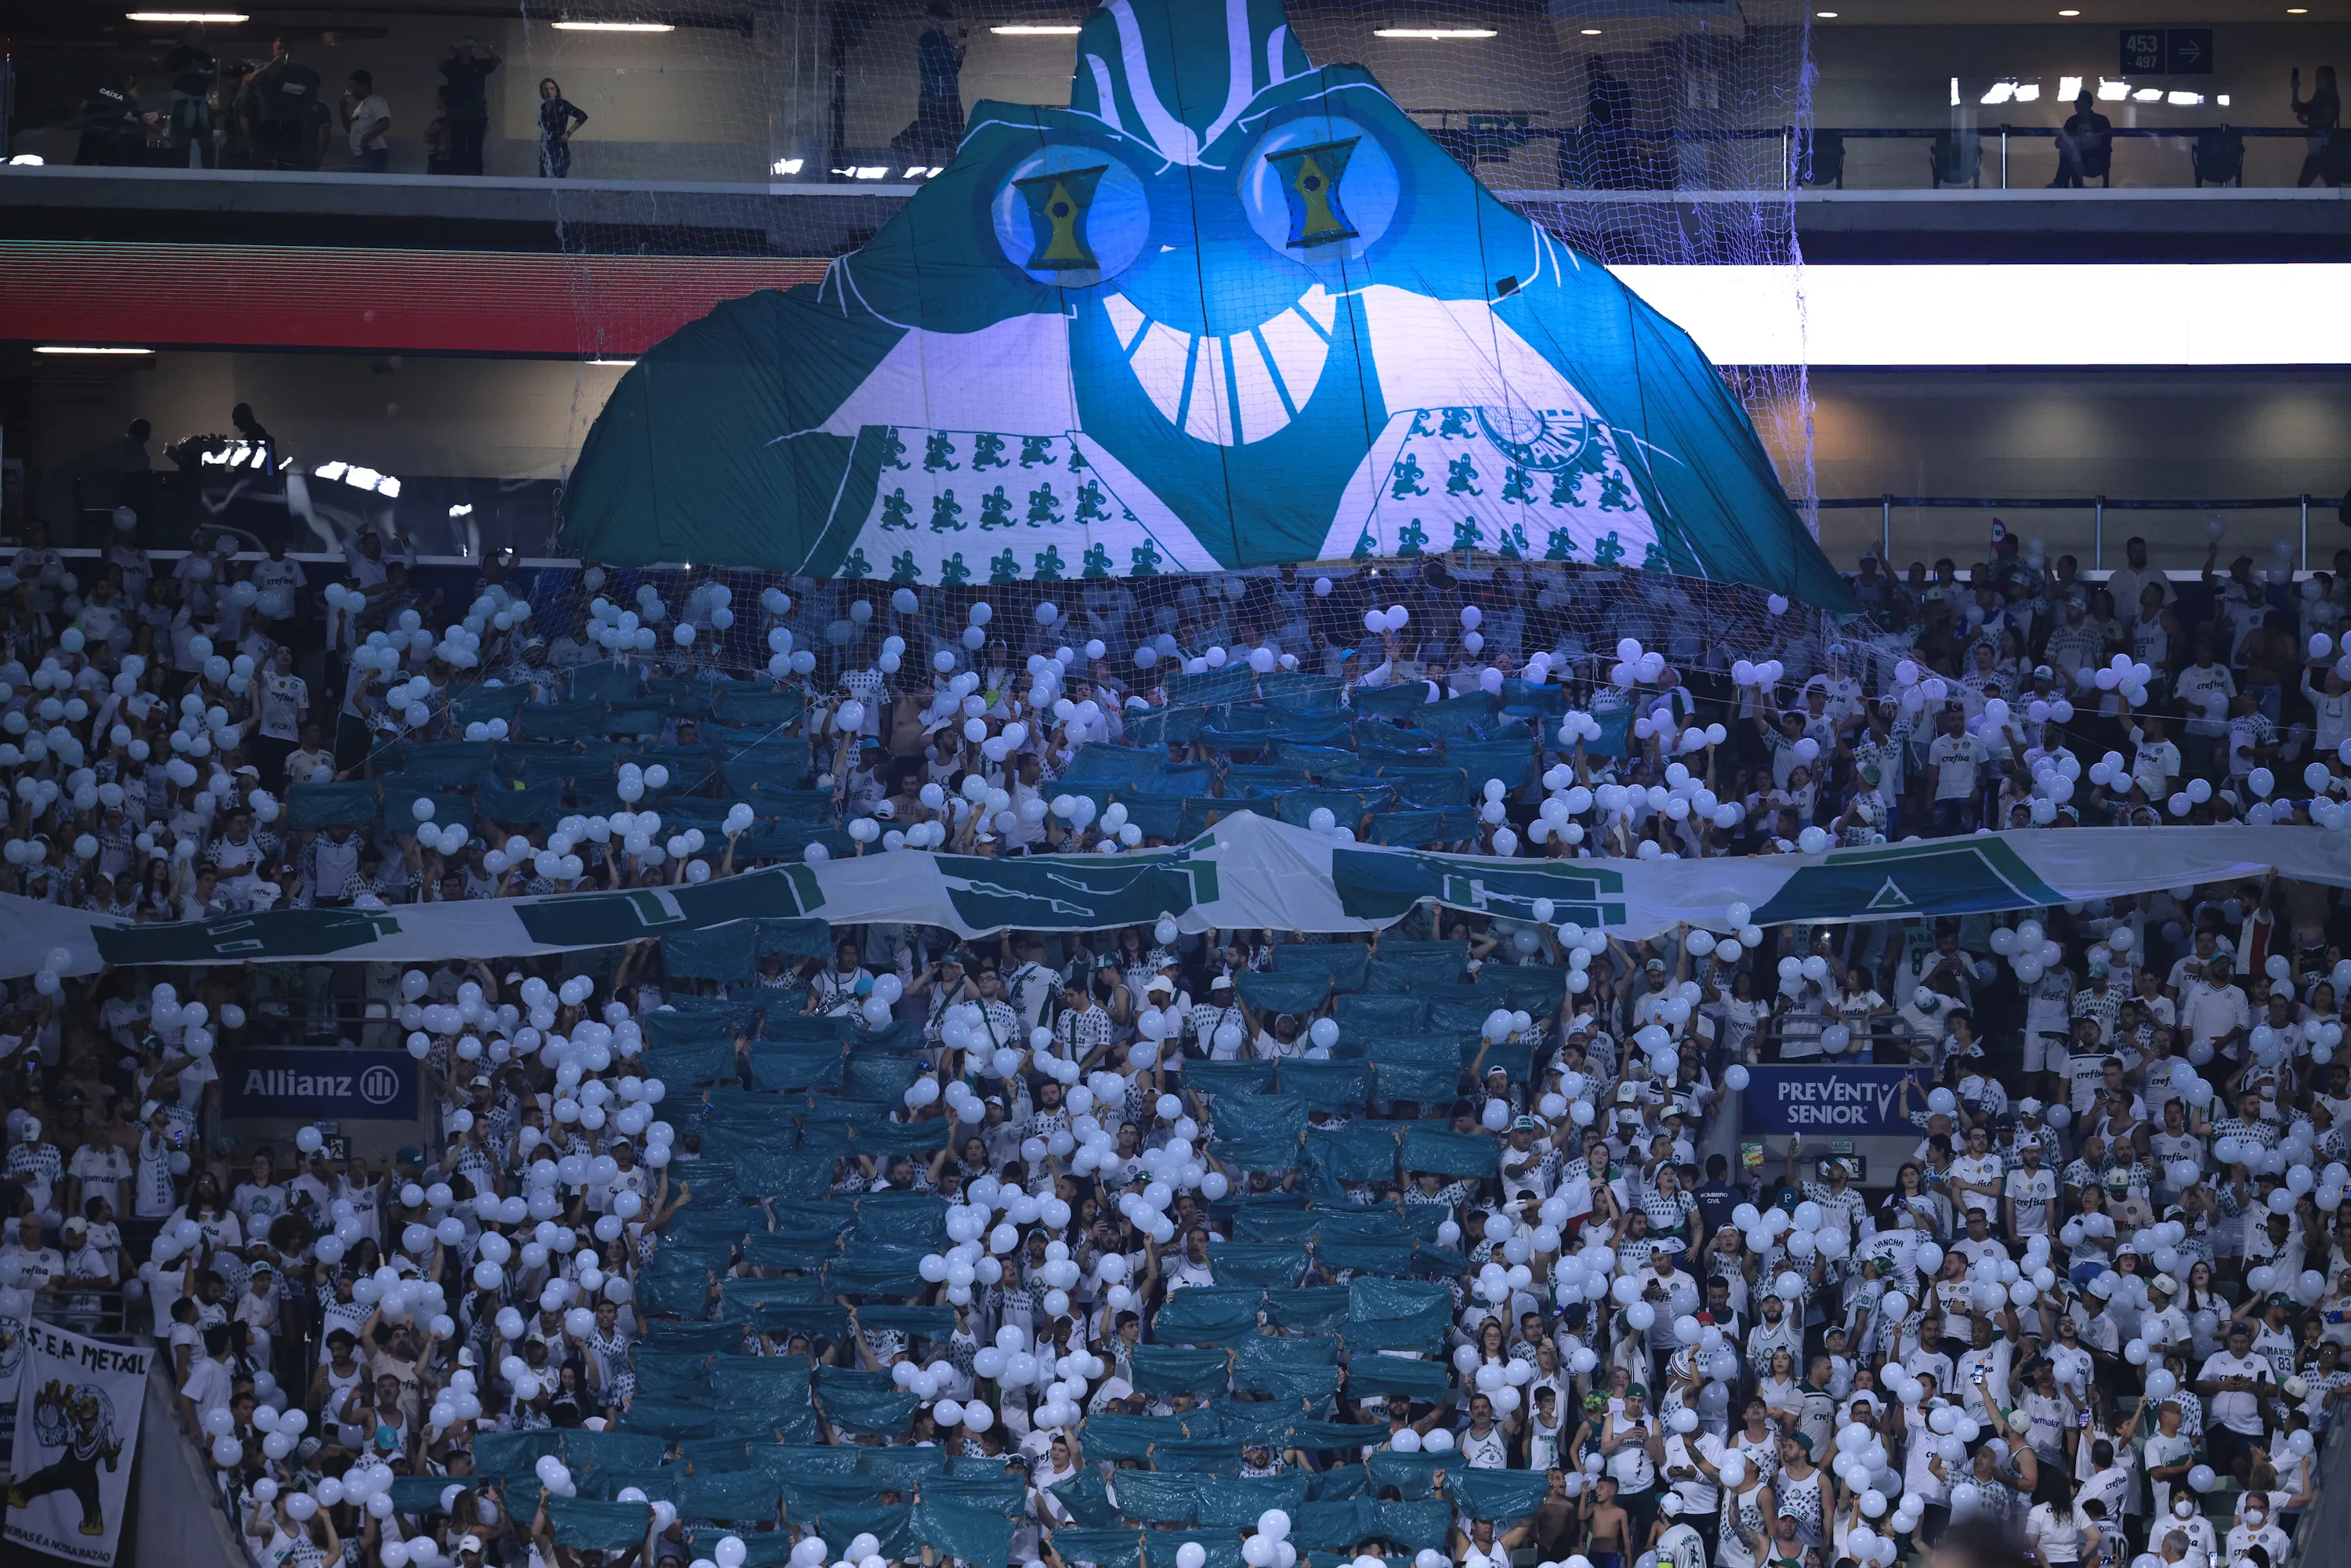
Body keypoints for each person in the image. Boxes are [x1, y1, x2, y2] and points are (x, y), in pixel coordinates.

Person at [893, 1, 969, 161]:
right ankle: (922, 168)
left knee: (953, 137)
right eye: (938, 18)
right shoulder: (927, 40)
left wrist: (960, 51)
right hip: (933, 96)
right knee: (928, 135)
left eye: (944, 19)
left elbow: (953, 69)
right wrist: (954, 44)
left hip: (950, 95)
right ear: (930, 18)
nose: (942, 22)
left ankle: (951, 168)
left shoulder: (943, 40)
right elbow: (937, 67)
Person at [249, 38, 327, 171]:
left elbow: (313, 91)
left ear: (292, 52)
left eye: (286, 49)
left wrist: (300, 92)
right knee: (265, 160)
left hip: (292, 121)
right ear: (274, 51)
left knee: (289, 161)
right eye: (279, 48)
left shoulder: (301, 70)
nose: (283, 51)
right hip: (269, 119)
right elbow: (251, 83)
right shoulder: (264, 67)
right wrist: (273, 65)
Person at [440, 37, 501, 175]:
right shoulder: (452, 66)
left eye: (470, 48)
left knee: (475, 149)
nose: (467, 50)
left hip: (476, 114)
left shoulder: (480, 65)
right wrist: (451, 47)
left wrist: (487, 49)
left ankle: (476, 179)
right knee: (457, 149)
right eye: (464, 48)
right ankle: (457, 178)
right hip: (457, 114)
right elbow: (439, 62)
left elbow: (497, 61)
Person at [76, 72, 151, 167]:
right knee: (110, 167)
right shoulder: (126, 99)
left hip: (90, 131)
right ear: (128, 85)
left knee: (82, 164)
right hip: (109, 135)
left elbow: (82, 106)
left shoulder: (99, 90)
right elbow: (134, 119)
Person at [2049, 89, 2113, 188]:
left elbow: (2103, 143)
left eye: (2082, 105)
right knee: (2070, 154)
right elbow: (2059, 142)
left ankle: (2059, 183)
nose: (2079, 108)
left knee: (2072, 154)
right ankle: (2066, 185)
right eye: (2077, 105)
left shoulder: (2101, 121)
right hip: (2077, 158)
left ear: (2090, 104)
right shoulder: (2072, 121)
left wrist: (2076, 143)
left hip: (2096, 159)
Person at [2293, 64, 2341, 187]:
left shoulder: (2330, 98)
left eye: (2320, 77)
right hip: (2316, 149)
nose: (2317, 80)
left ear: (2328, 79)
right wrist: (2295, 90)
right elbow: (2299, 108)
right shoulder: (2319, 96)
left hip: (2323, 147)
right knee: (2331, 184)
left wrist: (2306, 123)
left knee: (2305, 183)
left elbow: (2326, 120)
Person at [339, 70, 391, 173]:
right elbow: (350, 129)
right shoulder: (361, 107)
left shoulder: (376, 101)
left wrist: (365, 140)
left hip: (372, 151)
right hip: (359, 154)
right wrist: (342, 110)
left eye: (353, 86)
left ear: (363, 85)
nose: (351, 91)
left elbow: (385, 123)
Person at [536, 78, 589, 178]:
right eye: (546, 89)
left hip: (560, 151)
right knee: (543, 181)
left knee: (557, 181)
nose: (549, 92)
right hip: (546, 153)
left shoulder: (562, 105)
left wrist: (569, 133)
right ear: (542, 92)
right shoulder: (543, 108)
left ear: (556, 92)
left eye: (552, 89)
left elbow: (583, 116)